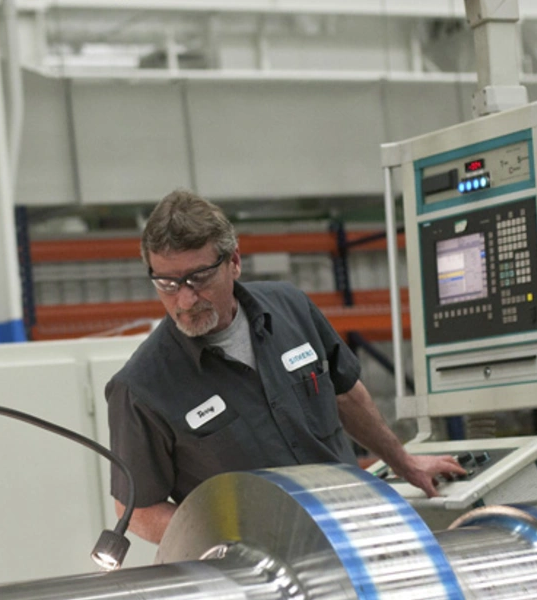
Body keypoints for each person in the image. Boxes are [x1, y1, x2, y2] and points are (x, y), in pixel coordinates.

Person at [106, 190, 465, 544]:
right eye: (167, 283)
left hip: (355, 529)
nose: (184, 299)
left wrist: (404, 461)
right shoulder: (141, 388)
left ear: (234, 261)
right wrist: (231, 542)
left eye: (198, 278)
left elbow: (345, 394)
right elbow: (137, 508)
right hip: (268, 568)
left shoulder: (290, 308)